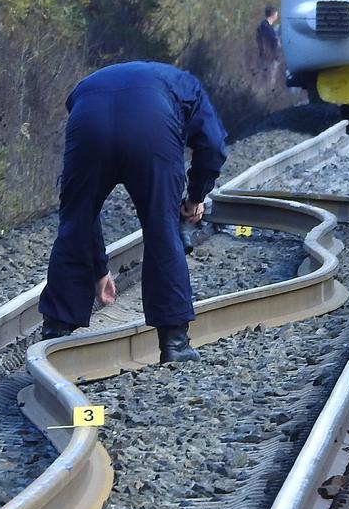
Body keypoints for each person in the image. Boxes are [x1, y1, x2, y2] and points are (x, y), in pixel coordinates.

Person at [37, 61, 228, 364]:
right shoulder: (187, 83)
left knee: (76, 219)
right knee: (162, 228)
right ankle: (174, 343)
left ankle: (56, 330)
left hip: (88, 121)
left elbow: (84, 215)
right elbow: (213, 146)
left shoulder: (87, 84)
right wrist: (195, 197)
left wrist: (98, 269)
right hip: (152, 127)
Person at [255, 3, 282, 83]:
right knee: (269, 78)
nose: (277, 15)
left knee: (265, 76)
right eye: (276, 14)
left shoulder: (263, 25)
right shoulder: (267, 27)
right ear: (273, 14)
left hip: (265, 56)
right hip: (269, 57)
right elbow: (271, 41)